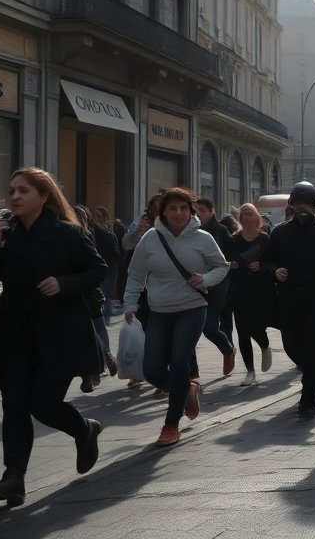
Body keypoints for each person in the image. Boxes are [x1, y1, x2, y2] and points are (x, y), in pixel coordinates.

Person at [0, 167, 107, 506]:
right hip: (16, 335)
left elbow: (97, 270)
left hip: (60, 334)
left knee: (43, 405)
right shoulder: (5, 236)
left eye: (23, 191)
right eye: (12, 190)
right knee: (14, 404)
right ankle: (13, 477)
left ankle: (85, 430)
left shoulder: (67, 234)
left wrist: (64, 283)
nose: (14, 196)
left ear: (43, 196)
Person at [123, 188, 230, 447]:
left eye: (183, 208)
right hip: (159, 310)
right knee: (152, 369)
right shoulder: (150, 238)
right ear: (164, 212)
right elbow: (136, 273)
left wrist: (204, 279)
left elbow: (222, 267)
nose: (178, 213)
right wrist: (129, 303)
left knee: (180, 360)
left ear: (190, 210)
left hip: (192, 308)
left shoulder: (203, 238)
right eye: (172, 208)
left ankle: (171, 424)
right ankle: (187, 390)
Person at [261, 182, 315, 417]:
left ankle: (308, 399)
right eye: (298, 203)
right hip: (289, 298)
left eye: (306, 204)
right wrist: (274, 271)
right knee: (292, 347)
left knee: (310, 344)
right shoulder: (280, 232)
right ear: (291, 205)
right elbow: (266, 261)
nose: (302, 208)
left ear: (314, 206)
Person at [228, 204, 275, 386]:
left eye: (250, 214)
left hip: (261, 290)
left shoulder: (265, 239)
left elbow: (273, 260)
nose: (247, 218)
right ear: (240, 219)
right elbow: (228, 262)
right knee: (242, 331)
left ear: (257, 218)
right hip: (239, 290)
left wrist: (261, 266)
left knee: (257, 327)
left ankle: (264, 345)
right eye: (244, 215)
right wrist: (231, 265)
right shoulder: (234, 240)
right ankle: (250, 371)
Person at [74, 205, 116, 391]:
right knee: (93, 329)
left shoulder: (82, 236)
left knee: (91, 329)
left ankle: (96, 367)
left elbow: (100, 265)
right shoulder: (86, 234)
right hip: (86, 293)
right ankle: (103, 358)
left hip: (85, 293)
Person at [195, 197, 237, 378]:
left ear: (211, 211)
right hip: (194, 285)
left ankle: (228, 350)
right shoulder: (189, 231)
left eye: (201, 211)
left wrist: (231, 263)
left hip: (218, 285)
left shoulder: (220, 230)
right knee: (190, 331)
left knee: (209, 326)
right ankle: (191, 377)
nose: (198, 214)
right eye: (195, 211)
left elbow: (232, 252)